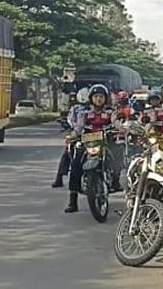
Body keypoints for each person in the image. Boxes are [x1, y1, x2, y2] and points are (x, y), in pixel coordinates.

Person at [64, 84, 121, 213]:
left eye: (101, 96)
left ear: (105, 98)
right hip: (88, 144)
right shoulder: (84, 113)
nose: (98, 99)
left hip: (105, 142)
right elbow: (78, 128)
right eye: (96, 97)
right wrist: (71, 136)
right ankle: (73, 200)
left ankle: (116, 181)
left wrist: (121, 128)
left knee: (118, 153)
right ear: (91, 98)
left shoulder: (110, 112)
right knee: (75, 165)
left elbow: (116, 123)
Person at [52, 88, 90, 188]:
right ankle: (59, 178)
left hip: (90, 136)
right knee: (68, 153)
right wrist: (73, 130)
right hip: (78, 136)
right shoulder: (76, 109)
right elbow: (71, 120)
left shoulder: (92, 109)